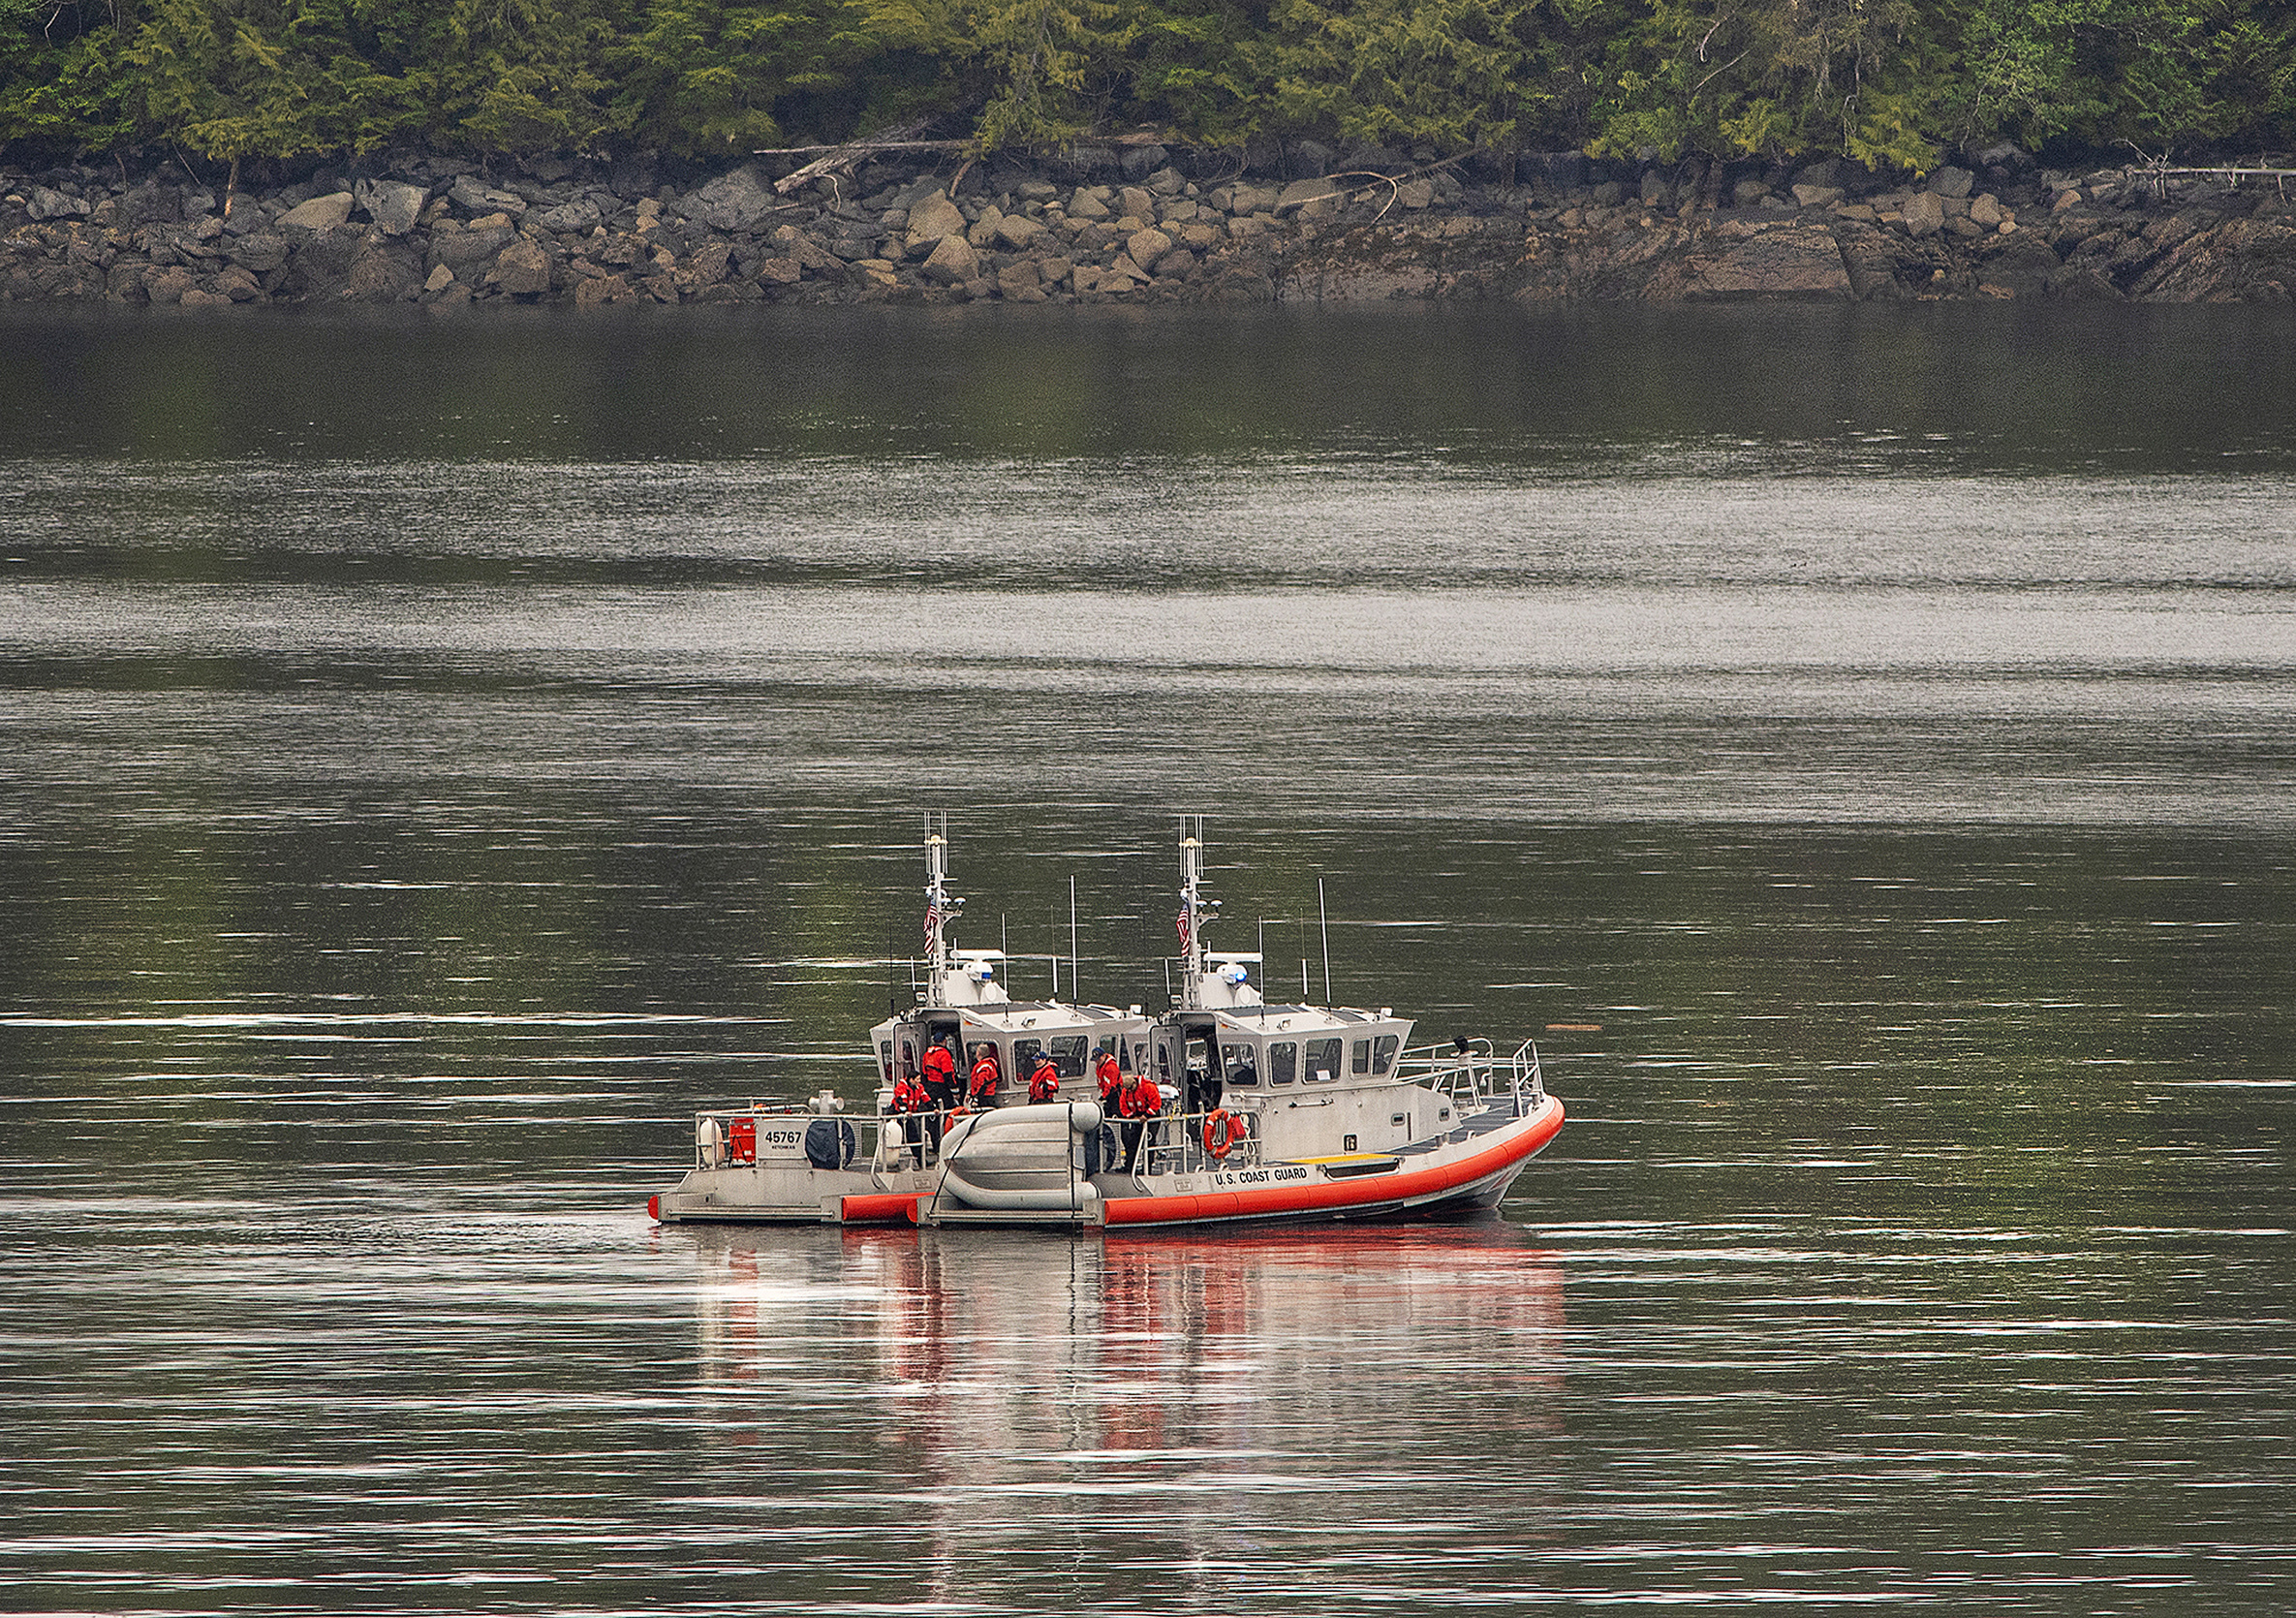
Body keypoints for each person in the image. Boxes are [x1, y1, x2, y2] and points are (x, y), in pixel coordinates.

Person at [1118, 1066, 1163, 1172]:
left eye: (1130, 1088)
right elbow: (1123, 1107)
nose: (1129, 1091)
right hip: (1137, 1118)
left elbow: (1156, 1103)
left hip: (1151, 1116)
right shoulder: (1126, 1092)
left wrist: (1146, 1116)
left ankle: (1148, 1167)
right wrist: (1132, 1117)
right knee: (1132, 1142)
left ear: (1134, 1084)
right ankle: (1129, 1166)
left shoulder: (1147, 1087)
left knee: (1149, 1141)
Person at [919, 1034, 957, 1156]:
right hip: (941, 1088)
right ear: (944, 1041)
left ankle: (935, 1144)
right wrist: (955, 1090)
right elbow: (947, 1075)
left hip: (930, 1088)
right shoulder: (944, 1054)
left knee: (932, 1118)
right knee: (950, 1113)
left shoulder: (927, 1055)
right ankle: (948, 1142)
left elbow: (924, 1074)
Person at [889, 1069, 930, 1168]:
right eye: (917, 1079)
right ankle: (891, 1161)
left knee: (913, 1138)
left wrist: (934, 1108)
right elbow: (901, 1101)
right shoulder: (901, 1087)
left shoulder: (919, 1087)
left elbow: (926, 1098)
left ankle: (921, 1161)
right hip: (897, 1115)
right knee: (893, 1138)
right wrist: (905, 1112)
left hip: (908, 1115)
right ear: (911, 1079)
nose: (919, 1081)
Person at [968, 1042, 1002, 1109]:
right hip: (987, 1095)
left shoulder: (984, 1066)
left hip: (985, 1096)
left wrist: (976, 1098)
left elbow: (981, 1083)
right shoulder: (989, 1064)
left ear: (978, 1053)